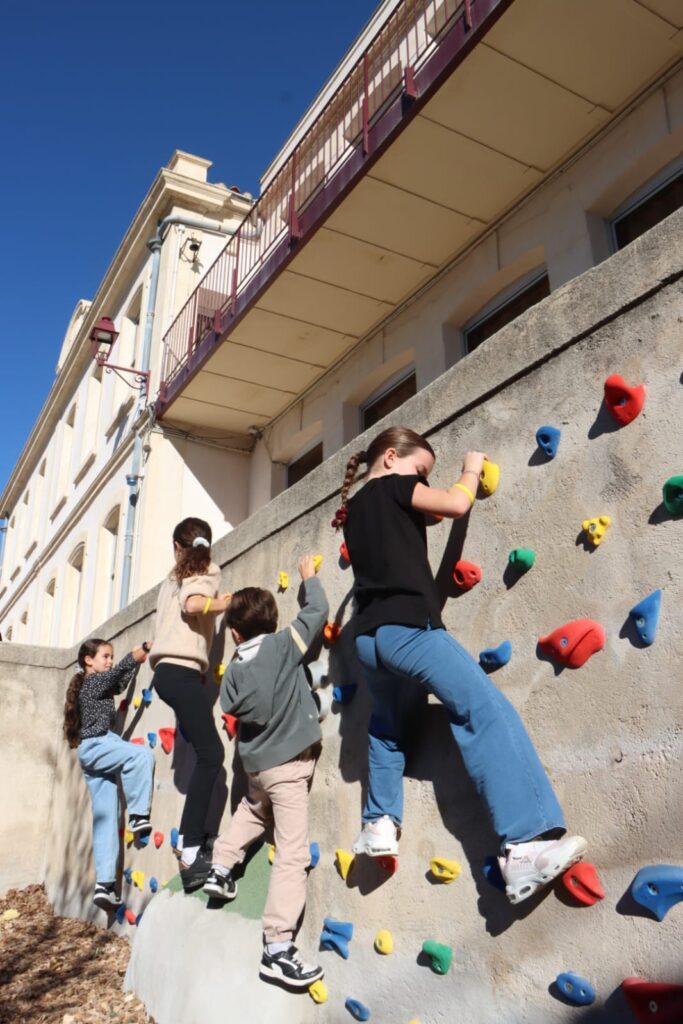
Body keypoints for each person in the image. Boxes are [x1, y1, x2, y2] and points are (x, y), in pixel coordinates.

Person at [335, 425, 587, 904]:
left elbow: (410, 530)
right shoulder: (394, 486)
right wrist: (470, 470)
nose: (423, 481)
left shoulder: (355, 510)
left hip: (370, 640)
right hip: (410, 628)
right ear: (390, 458)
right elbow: (454, 504)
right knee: (483, 710)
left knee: (387, 730)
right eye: (421, 471)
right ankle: (525, 845)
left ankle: (378, 824)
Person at [204, 555, 327, 990]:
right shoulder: (282, 646)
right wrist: (309, 578)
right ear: (272, 621)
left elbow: (229, 707)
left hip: (256, 767)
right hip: (290, 768)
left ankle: (221, 866)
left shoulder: (235, 668)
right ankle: (277, 948)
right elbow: (316, 614)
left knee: (253, 812)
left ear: (234, 632)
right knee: (292, 853)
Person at [149, 517, 232, 891]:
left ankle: (191, 842)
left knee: (208, 752)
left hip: (166, 674)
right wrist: (225, 602)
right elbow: (195, 603)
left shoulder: (170, 579)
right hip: (182, 672)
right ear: (204, 546)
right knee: (212, 754)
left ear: (176, 547)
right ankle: (190, 845)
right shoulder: (206, 569)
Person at [63, 637, 154, 911]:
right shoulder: (90, 681)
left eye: (111, 656)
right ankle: (139, 816)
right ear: (88, 661)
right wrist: (143, 650)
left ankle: (105, 886)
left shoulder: (95, 685)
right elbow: (116, 675)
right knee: (141, 755)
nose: (109, 661)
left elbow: (119, 682)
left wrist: (130, 669)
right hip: (99, 744)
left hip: (91, 754)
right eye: (105, 656)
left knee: (105, 817)